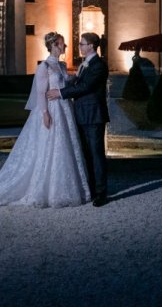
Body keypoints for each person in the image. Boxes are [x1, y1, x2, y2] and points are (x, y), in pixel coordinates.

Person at [0, 32, 90, 208]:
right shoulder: (44, 66)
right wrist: (44, 113)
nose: (65, 46)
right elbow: (41, 92)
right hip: (52, 109)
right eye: (61, 43)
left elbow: (67, 82)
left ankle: (65, 187)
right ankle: (44, 188)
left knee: (65, 145)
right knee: (49, 145)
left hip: (64, 109)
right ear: (53, 45)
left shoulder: (62, 65)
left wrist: (80, 72)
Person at [48, 32, 110, 207]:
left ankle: (101, 193)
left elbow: (86, 86)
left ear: (91, 45)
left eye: (82, 44)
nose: (80, 47)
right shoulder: (85, 64)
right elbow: (77, 83)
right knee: (86, 154)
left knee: (96, 155)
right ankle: (90, 189)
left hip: (93, 115)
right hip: (81, 114)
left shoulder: (98, 65)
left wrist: (60, 93)